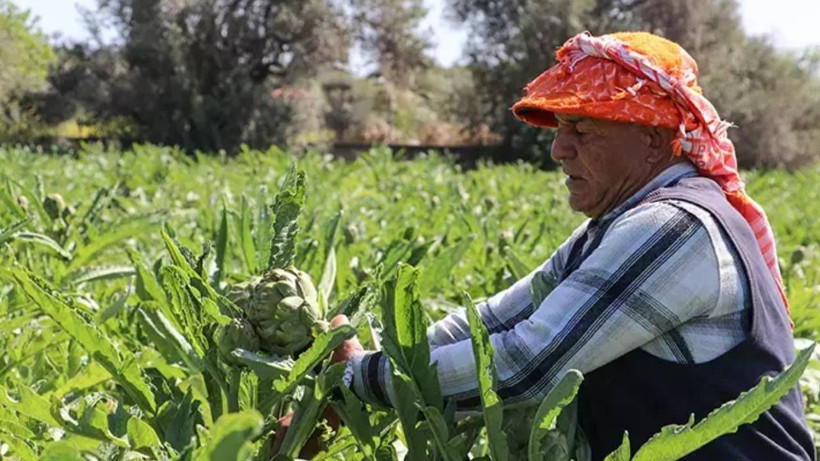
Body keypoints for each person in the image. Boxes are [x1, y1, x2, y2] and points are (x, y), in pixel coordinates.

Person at [291, 31, 816, 460]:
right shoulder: (618, 224)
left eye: (582, 130)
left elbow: (527, 365)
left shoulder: (675, 228)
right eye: (561, 128)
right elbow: (491, 321)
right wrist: (376, 361)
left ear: (653, 140)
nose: (558, 149)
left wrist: (358, 377)